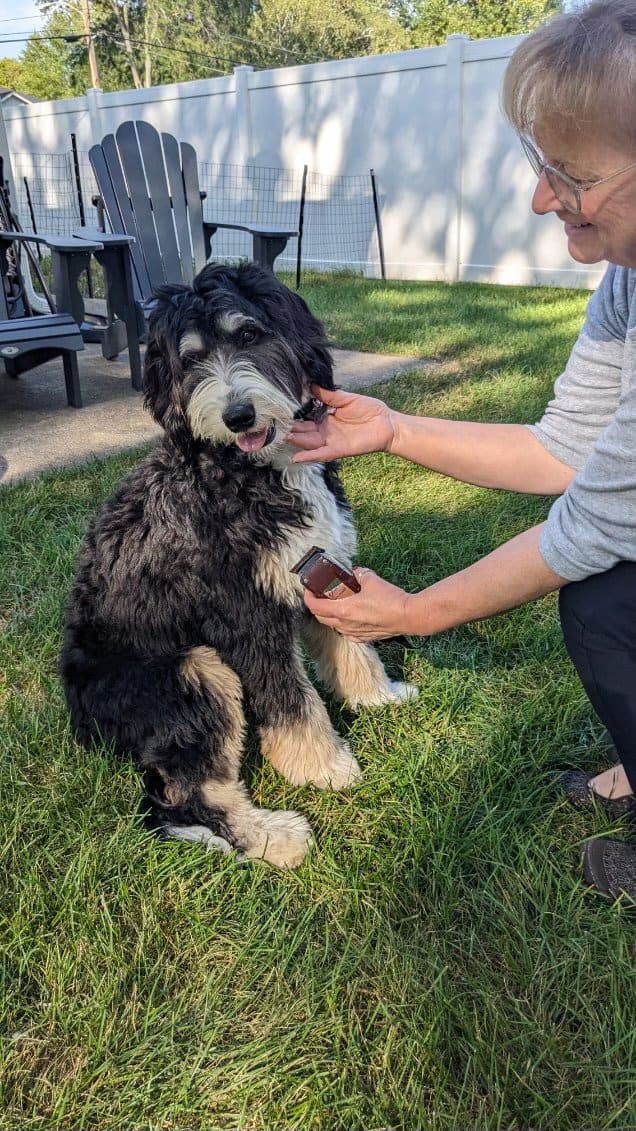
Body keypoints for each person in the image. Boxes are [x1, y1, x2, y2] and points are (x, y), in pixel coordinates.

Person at [288, 0, 636, 906]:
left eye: (571, 173)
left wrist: (418, 612)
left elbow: (591, 525)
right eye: (540, 164)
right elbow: (566, 450)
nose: (539, 196)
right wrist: (394, 429)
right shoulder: (626, 282)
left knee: (606, 604)